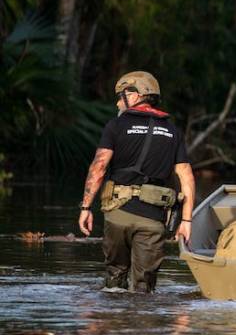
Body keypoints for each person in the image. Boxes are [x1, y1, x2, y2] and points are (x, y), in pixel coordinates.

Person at [77, 71, 195, 293]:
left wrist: (86, 207)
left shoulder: (115, 126)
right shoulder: (173, 131)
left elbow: (99, 166)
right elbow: (186, 177)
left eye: (121, 95)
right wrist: (186, 221)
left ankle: (114, 322)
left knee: (114, 280)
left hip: (117, 214)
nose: (117, 102)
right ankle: (140, 325)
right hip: (153, 220)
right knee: (143, 289)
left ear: (134, 95)